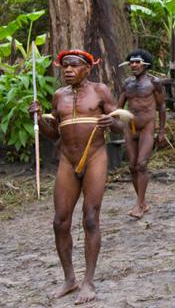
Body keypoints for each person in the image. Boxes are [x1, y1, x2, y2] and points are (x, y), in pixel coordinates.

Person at [30, 50, 126, 304]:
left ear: (88, 68)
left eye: (74, 66)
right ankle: (69, 279)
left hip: (95, 156)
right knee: (60, 222)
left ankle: (89, 282)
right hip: (67, 160)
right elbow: (54, 135)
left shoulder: (101, 91)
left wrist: (110, 122)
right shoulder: (58, 96)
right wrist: (40, 118)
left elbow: (120, 125)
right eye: (64, 67)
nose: (68, 70)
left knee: (91, 219)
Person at [117, 49, 165, 219]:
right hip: (130, 128)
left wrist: (161, 131)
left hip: (147, 127)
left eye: (137, 62)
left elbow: (161, 107)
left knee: (142, 164)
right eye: (131, 62)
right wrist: (112, 120)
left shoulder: (154, 82)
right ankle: (142, 202)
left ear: (145, 64)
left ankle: (139, 204)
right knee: (132, 166)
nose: (134, 65)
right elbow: (119, 107)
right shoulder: (127, 84)